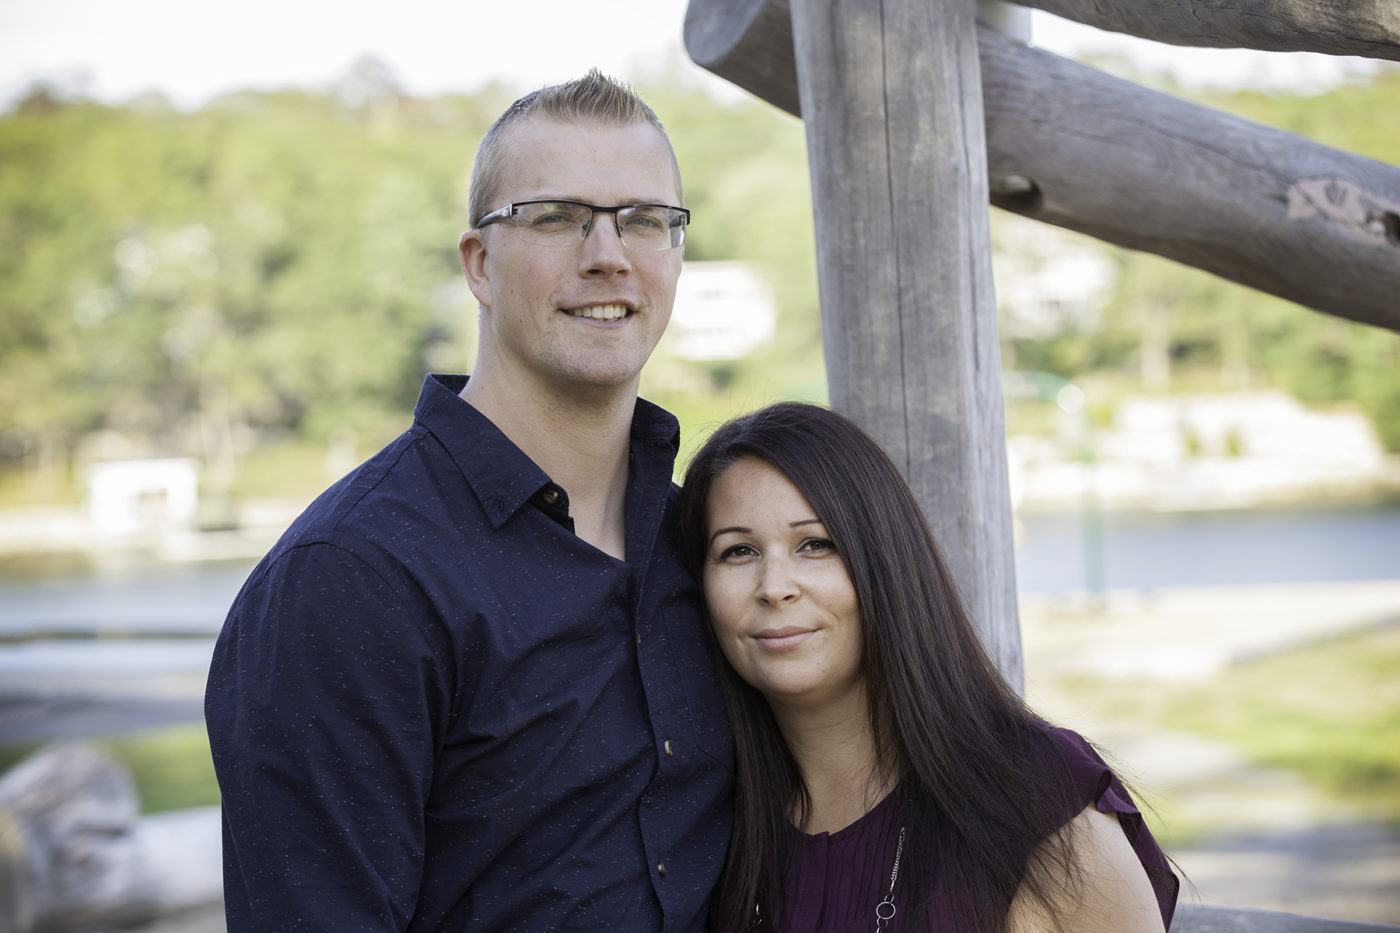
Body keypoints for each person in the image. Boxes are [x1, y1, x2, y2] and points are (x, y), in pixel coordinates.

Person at [205, 71, 733, 931]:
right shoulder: (350, 580)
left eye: (645, 220)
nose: (609, 253)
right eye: (557, 216)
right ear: (479, 265)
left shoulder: (709, 544)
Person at [677, 402, 1178, 932]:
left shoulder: (1031, 804)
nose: (775, 586)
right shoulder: (704, 821)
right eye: (737, 552)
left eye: (816, 544)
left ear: (886, 560)